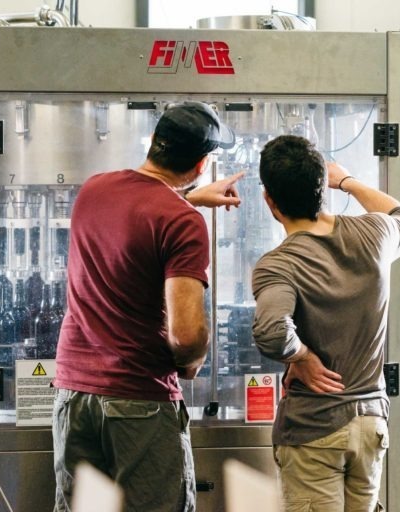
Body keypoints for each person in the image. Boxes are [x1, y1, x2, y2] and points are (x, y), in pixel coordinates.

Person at [52, 101, 242, 512]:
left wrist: (188, 198)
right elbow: (187, 336)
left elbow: (137, 208)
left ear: (154, 142)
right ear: (202, 163)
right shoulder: (182, 222)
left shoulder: (93, 189)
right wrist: (191, 362)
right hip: (137, 398)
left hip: (73, 394)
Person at [251, 134, 400, 511]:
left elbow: (272, 331)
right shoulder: (374, 235)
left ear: (269, 201)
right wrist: (348, 181)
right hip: (370, 427)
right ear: (321, 189)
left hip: (315, 429)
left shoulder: (279, 264)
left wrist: (302, 357)